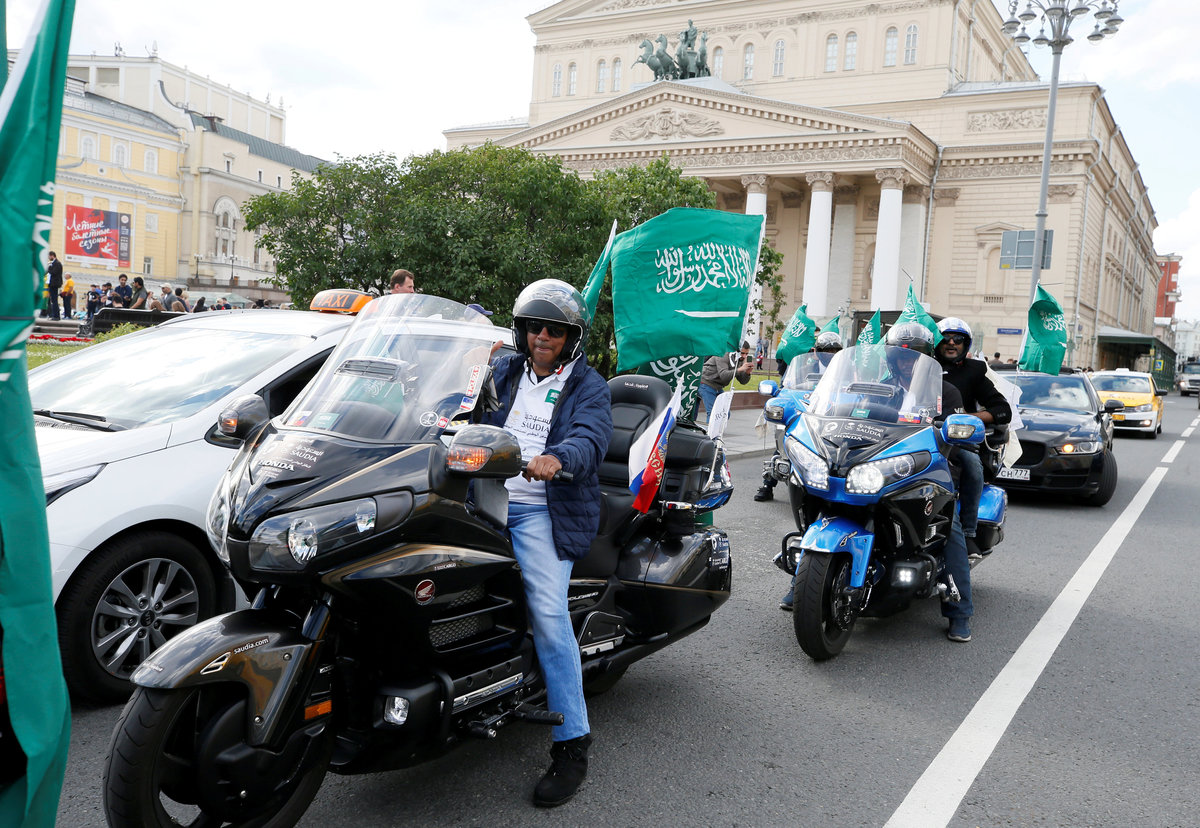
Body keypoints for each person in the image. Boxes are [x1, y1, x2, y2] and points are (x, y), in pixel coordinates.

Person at [480, 279, 612, 807]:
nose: (543, 336)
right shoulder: (502, 371)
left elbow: (590, 437)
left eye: (554, 330)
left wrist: (557, 458)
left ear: (570, 337)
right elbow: (460, 411)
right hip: (482, 500)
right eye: (535, 326)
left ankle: (572, 743)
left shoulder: (588, 386)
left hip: (541, 511)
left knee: (550, 616)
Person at [884, 322, 973, 642]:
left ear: (926, 359)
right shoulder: (881, 388)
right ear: (892, 360)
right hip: (883, 468)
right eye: (901, 357)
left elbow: (956, 439)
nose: (907, 363)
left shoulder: (945, 392)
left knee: (948, 528)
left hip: (931, 469)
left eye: (914, 357)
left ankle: (959, 610)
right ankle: (803, 581)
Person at [934, 318, 1011, 562]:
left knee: (972, 465)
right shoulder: (921, 365)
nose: (951, 343)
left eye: (958, 339)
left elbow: (1002, 410)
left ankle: (968, 532)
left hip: (957, 439)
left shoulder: (974, 371)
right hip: (917, 434)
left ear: (966, 344)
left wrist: (968, 418)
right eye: (946, 338)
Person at [758, 330, 842, 504]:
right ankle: (768, 484)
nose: (831, 355)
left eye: (835, 351)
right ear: (816, 352)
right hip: (805, 410)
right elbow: (787, 386)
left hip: (831, 415)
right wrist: (781, 393)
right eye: (827, 351)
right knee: (786, 440)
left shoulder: (845, 371)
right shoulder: (804, 368)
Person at [697, 342, 753, 420]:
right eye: (742, 353)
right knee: (714, 414)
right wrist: (740, 369)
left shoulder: (739, 360)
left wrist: (747, 373)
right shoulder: (723, 355)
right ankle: (710, 428)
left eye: (746, 354)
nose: (744, 356)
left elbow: (743, 381)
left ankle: (715, 428)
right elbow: (724, 375)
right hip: (705, 383)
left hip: (718, 387)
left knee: (725, 414)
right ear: (736, 350)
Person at [46, 251, 63, 320]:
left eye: (49, 256)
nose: (49, 258)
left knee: (54, 300)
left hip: (54, 284)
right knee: (53, 300)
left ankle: (56, 316)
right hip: (52, 283)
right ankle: (54, 315)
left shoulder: (57, 263)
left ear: (52, 256)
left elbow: (54, 272)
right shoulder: (54, 263)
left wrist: (49, 267)